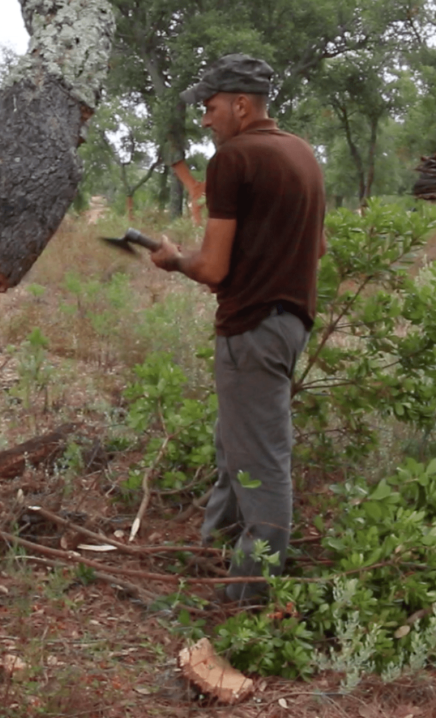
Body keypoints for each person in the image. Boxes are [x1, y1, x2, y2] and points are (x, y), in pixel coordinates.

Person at [150, 54, 326, 603]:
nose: (206, 119)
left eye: (210, 107)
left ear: (241, 105)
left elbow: (212, 269)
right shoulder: (302, 153)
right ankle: (215, 549)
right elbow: (317, 247)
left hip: (251, 329)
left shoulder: (232, 158)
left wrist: (174, 259)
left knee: (262, 464)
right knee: (236, 444)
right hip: (290, 324)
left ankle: (248, 596)